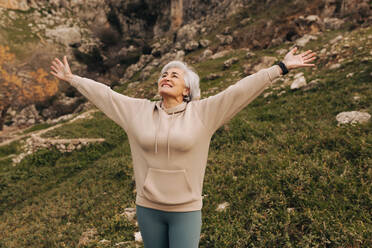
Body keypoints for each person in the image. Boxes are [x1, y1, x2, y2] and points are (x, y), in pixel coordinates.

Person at [50, 47, 316, 248]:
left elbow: (239, 91)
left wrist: (280, 67)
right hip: (148, 208)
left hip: (185, 211)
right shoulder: (138, 112)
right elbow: (106, 94)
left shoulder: (203, 113)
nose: (166, 77)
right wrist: (73, 79)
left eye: (174, 75)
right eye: (164, 74)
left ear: (187, 89)